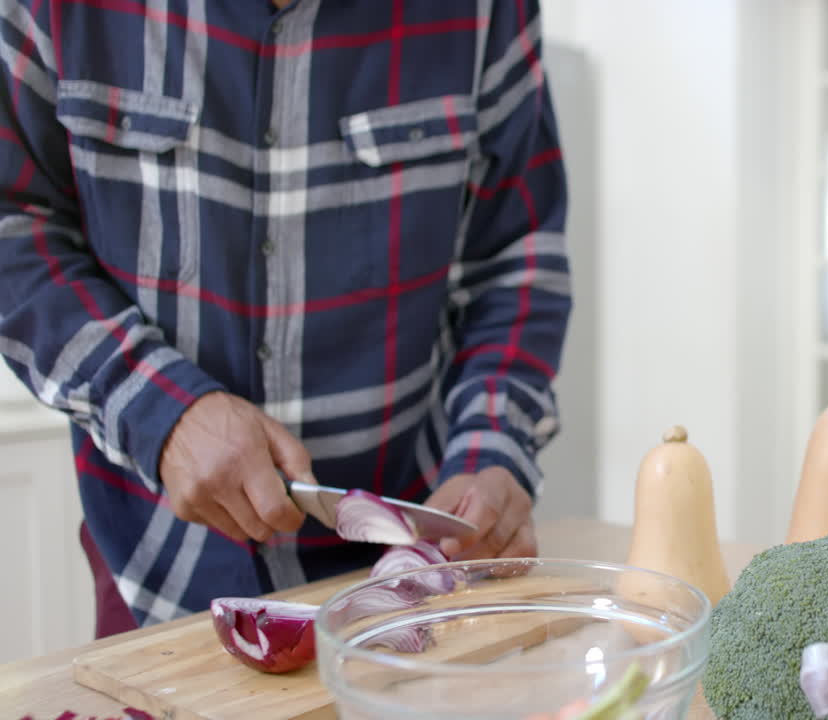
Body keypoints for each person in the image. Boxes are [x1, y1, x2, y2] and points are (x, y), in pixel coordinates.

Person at [0, 0, 571, 637]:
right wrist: (157, 408)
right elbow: (13, 229)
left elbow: (515, 259)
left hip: (416, 584)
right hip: (155, 564)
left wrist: (491, 447)